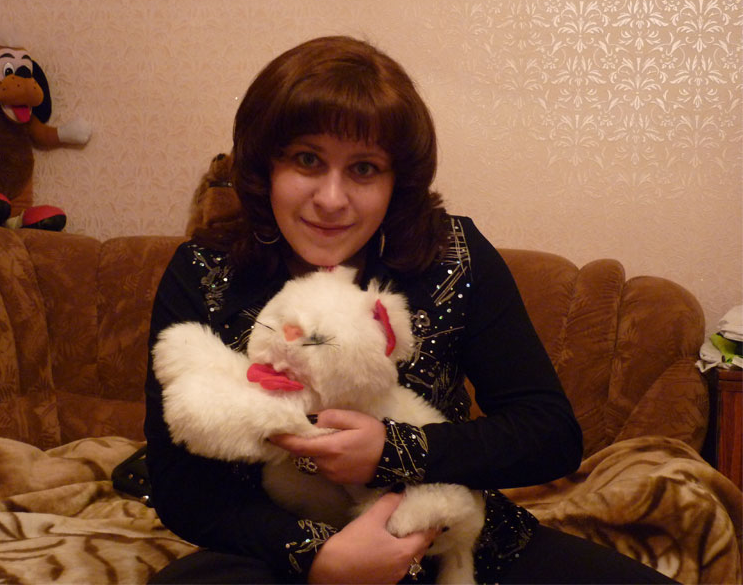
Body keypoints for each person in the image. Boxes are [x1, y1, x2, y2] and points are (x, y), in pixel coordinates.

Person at [144, 35, 677, 584]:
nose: (331, 199)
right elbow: (181, 489)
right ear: (264, 166)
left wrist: (396, 451)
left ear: (397, 182)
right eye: (307, 160)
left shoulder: (454, 254)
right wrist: (320, 557)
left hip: (456, 547)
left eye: (364, 169)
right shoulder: (202, 270)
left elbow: (550, 435)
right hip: (275, 556)